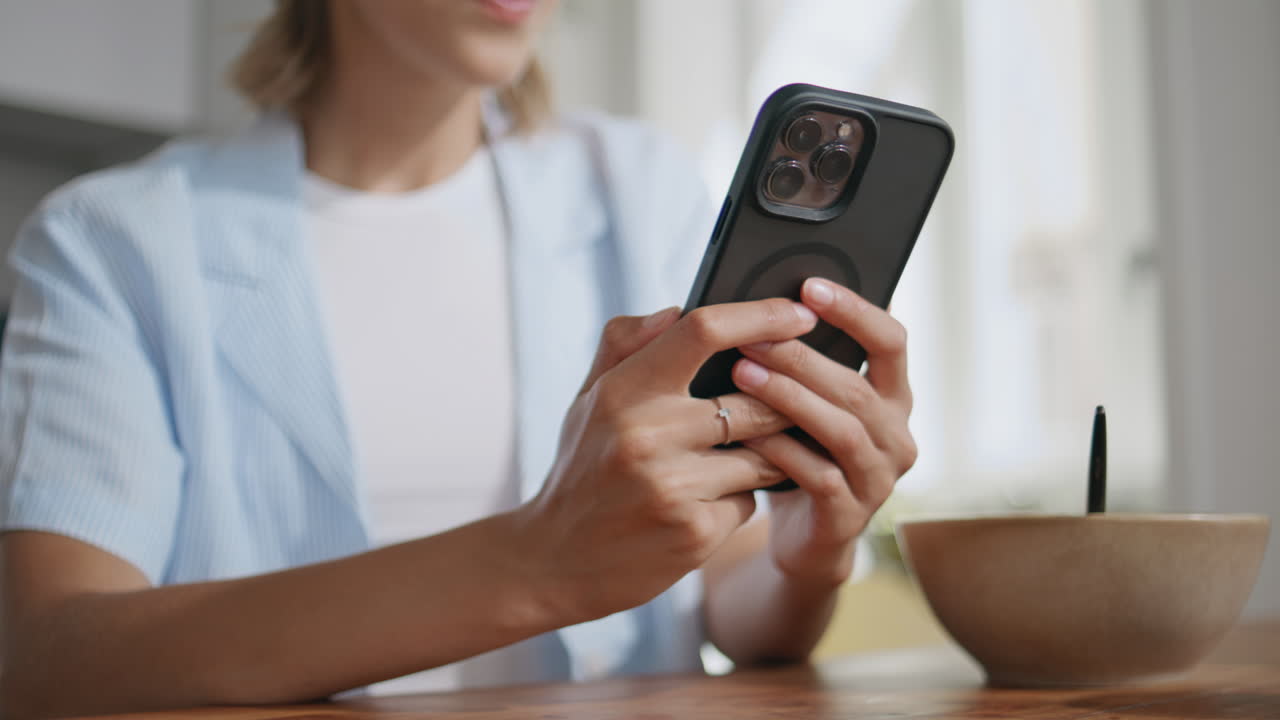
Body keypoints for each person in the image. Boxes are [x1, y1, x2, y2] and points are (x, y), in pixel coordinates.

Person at [0, 0, 917, 716]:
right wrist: (535, 562)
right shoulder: (110, 242)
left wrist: (806, 560)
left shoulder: (641, 191)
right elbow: (50, 662)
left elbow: (729, 591)